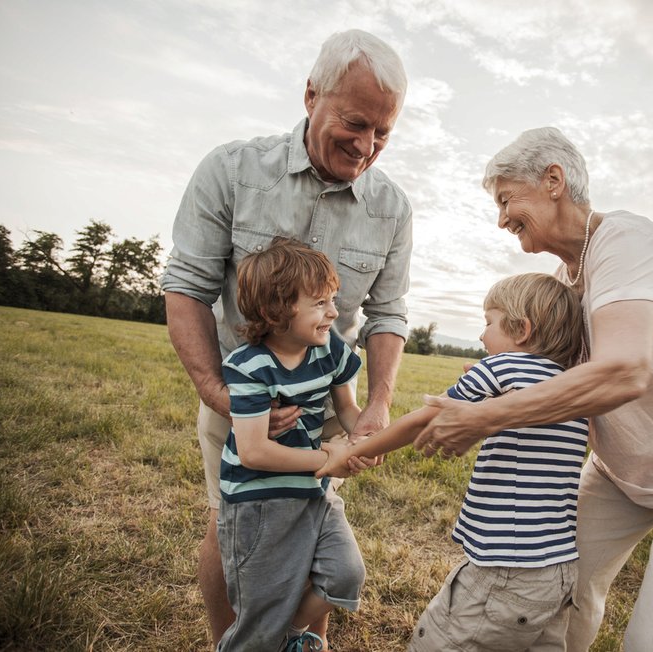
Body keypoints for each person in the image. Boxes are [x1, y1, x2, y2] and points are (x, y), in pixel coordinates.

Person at [413, 127, 653, 651]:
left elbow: (624, 370)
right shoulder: (563, 278)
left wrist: (485, 418)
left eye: (507, 200)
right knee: (554, 590)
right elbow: (544, 373)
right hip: (624, 470)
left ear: (554, 181)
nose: (501, 218)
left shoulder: (625, 240)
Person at [160, 29, 411, 647]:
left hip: (326, 406)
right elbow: (186, 286)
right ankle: (234, 643)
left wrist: (374, 406)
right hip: (240, 396)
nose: (366, 145)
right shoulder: (232, 170)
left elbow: (388, 315)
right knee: (232, 528)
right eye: (354, 122)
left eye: (382, 132)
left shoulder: (392, 208)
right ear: (309, 95)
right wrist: (224, 396)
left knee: (320, 538)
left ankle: (294, 643)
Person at [318, 272, 589, 652]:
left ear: (522, 330)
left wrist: (353, 450)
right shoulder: (573, 390)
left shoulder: (503, 368)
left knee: (441, 642)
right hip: (559, 572)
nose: (481, 336)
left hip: (504, 569)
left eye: (488, 322)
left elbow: (423, 418)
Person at [217, 238, 365, 652]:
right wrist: (327, 459)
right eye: (320, 303)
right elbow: (254, 453)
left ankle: (289, 637)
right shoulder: (249, 366)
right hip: (258, 505)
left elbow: (348, 408)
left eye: (332, 300)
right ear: (276, 310)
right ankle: (269, 639)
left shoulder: (329, 348)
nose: (334, 312)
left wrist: (362, 439)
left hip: (314, 492)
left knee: (345, 575)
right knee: (257, 623)